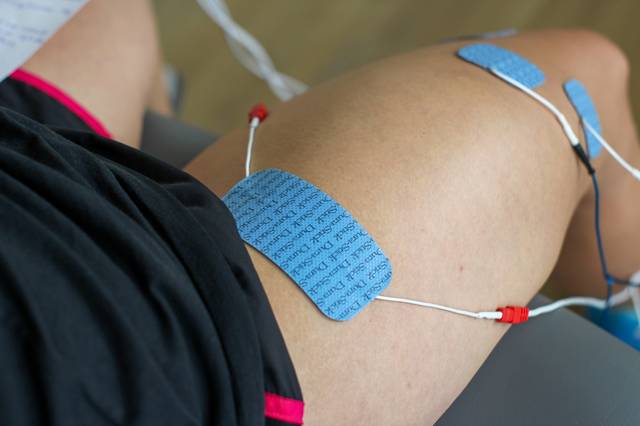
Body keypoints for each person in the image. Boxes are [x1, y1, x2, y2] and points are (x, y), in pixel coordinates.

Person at [1, 1, 639, 425]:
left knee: (97, 12)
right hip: (111, 353)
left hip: (29, 189)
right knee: (575, 76)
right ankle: (630, 308)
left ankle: (132, 141)